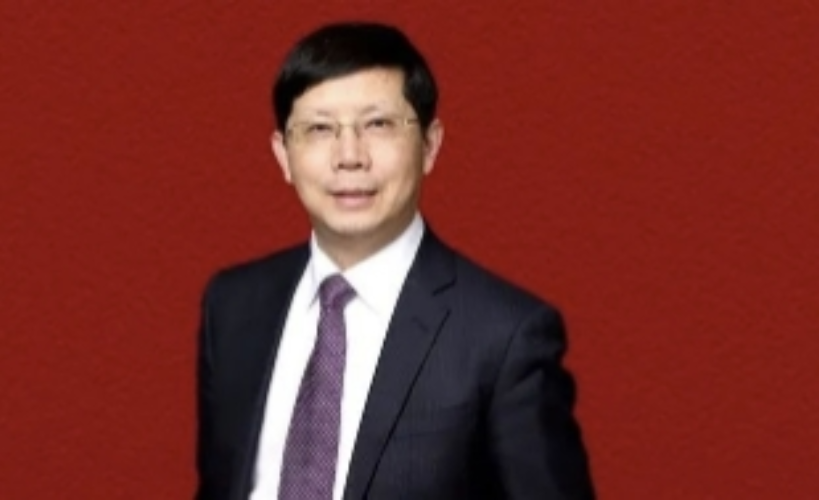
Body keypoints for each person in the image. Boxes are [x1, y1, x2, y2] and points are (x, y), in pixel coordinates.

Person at [194, 20, 595, 500]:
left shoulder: (505, 336)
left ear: (430, 145)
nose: (349, 156)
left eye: (378, 125)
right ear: (283, 154)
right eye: (319, 129)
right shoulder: (234, 307)